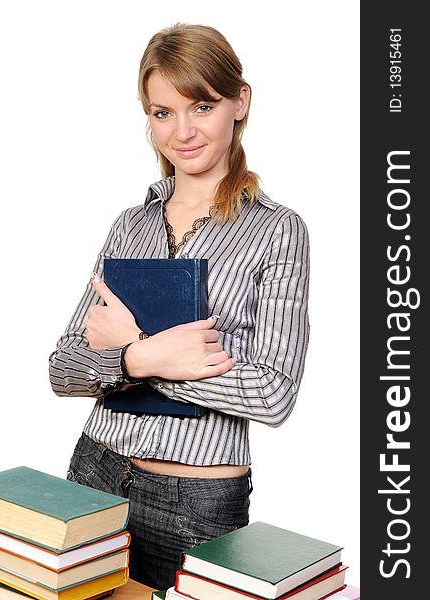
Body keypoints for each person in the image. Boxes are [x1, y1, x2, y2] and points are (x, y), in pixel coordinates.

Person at [49, 22, 310, 590]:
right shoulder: (130, 226)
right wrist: (145, 359)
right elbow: (63, 368)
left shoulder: (277, 232)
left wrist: (136, 352)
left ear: (239, 102)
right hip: (95, 471)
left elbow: (274, 393)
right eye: (162, 112)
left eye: (201, 106)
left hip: (195, 498)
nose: (183, 130)